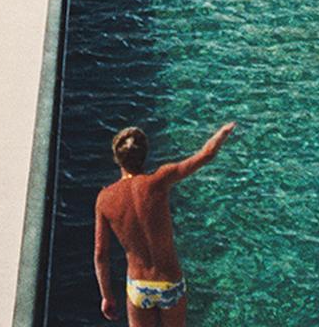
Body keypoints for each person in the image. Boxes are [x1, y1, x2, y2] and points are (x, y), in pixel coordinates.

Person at [94, 120, 235, 324]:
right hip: (169, 281)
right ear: (145, 155)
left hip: (138, 285)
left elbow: (100, 254)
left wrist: (106, 296)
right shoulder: (159, 181)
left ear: (117, 159)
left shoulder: (105, 199)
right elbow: (205, 155)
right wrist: (222, 132)